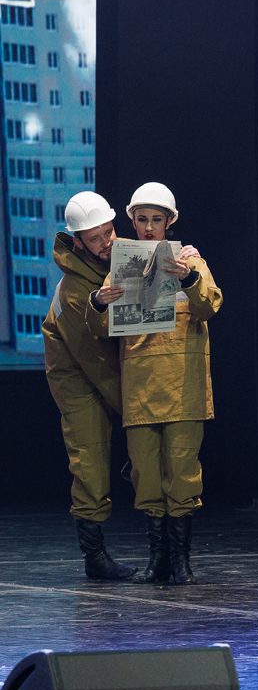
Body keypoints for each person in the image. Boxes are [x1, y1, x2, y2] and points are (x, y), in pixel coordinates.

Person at [87, 182, 222, 585]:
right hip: (141, 388)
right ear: (132, 221)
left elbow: (209, 306)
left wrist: (188, 278)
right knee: (145, 475)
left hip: (184, 386)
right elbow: (101, 330)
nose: (148, 227)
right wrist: (97, 303)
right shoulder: (121, 266)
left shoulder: (190, 261)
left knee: (182, 474)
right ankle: (158, 561)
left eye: (156, 219)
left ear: (169, 222)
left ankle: (180, 562)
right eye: (142, 219)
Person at [42, 191, 137, 580]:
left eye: (109, 231)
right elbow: (96, 363)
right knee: (90, 460)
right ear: (77, 242)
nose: (106, 242)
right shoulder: (73, 292)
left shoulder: (118, 254)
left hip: (107, 361)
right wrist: (135, 413)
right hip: (76, 375)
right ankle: (94, 557)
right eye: (95, 238)